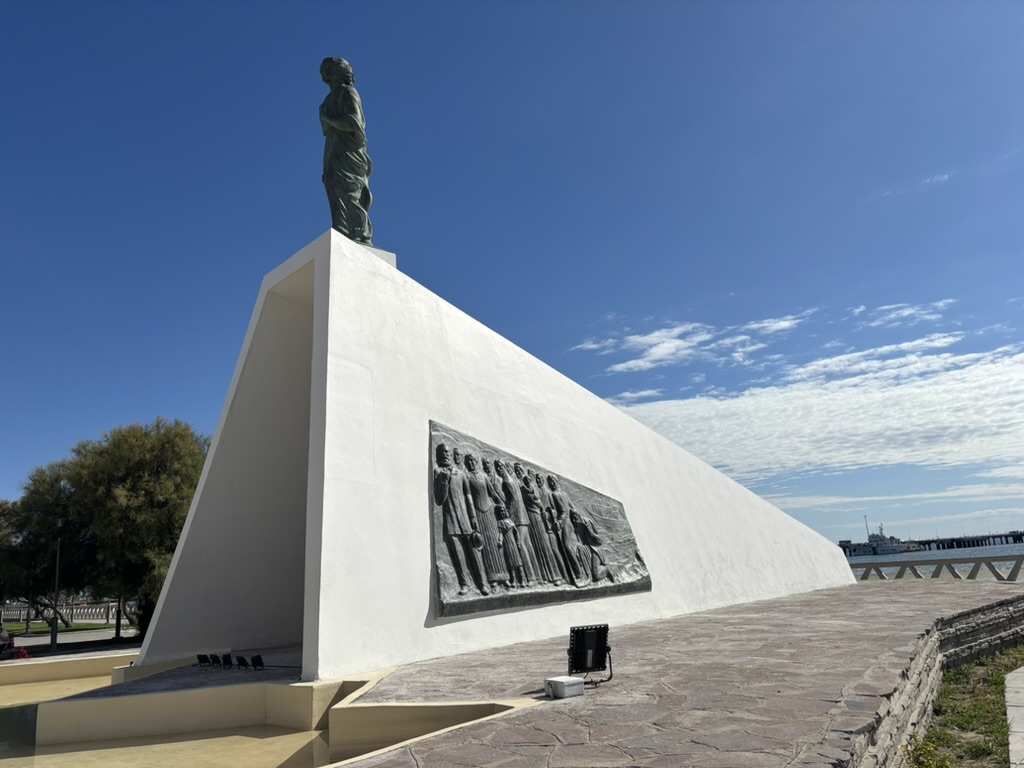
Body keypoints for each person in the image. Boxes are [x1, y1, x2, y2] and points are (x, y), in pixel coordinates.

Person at [320, 57, 374, 243]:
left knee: (350, 193)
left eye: (326, 70)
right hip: (333, 154)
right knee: (334, 187)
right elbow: (328, 134)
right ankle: (341, 229)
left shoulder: (349, 93)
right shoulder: (327, 101)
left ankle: (357, 232)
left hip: (349, 154)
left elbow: (354, 123)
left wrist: (328, 118)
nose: (322, 74)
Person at [433, 443, 487, 596]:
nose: (446, 454)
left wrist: (472, 517)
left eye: (448, 452)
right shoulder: (438, 472)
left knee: (474, 553)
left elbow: (468, 496)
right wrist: (444, 481)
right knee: (457, 555)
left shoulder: (461, 473)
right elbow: (439, 500)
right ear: (438, 456)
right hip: (450, 519)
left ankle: (482, 584)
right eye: (442, 452)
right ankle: (465, 584)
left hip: (466, 519)